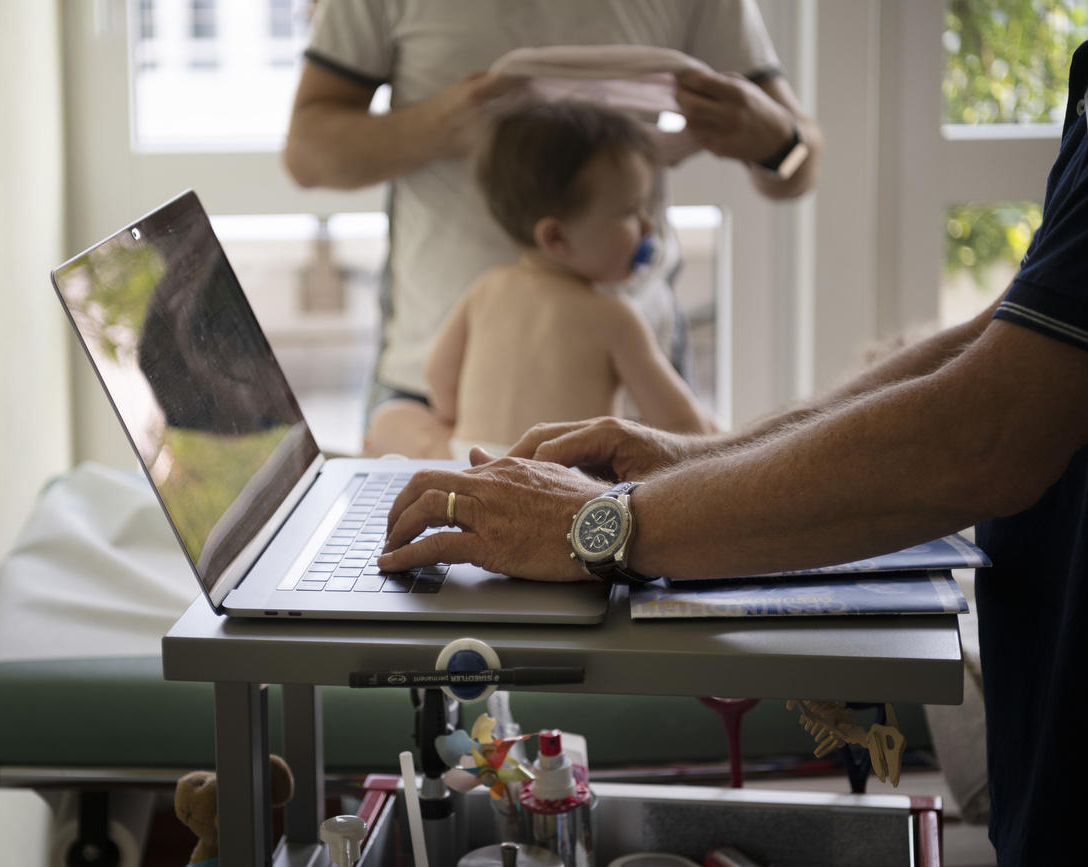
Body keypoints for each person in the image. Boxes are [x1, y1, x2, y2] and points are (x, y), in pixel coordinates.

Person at [378, 41, 1088, 865]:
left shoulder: (490, 291)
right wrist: (695, 456)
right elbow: (994, 336)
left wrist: (600, 525)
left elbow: (989, 430)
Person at [282, 0, 823, 412]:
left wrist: (776, 139)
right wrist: (436, 128)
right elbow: (306, 154)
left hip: (637, 373)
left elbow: (800, 166)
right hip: (433, 378)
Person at [363, 99, 718, 460]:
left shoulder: (488, 287)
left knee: (392, 418)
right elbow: (681, 428)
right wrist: (707, 429)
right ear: (556, 238)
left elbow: (438, 374)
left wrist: (458, 423)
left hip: (472, 462)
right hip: (559, 477)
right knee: (707, 427)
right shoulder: (616, 318)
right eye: (629, 212)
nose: (648, 226)